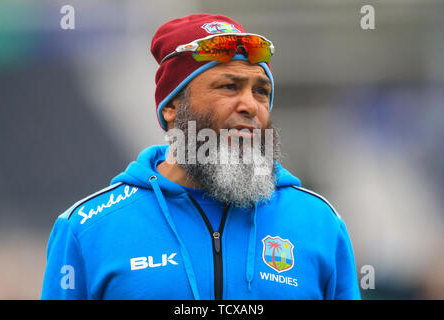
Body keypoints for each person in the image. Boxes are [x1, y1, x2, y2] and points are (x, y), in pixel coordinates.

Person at [41, 14, 361, 300]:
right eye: (229, 86)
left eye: (261, 91)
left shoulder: (319, 222)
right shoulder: (87, 227)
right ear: (171, 108)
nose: (250, 105)